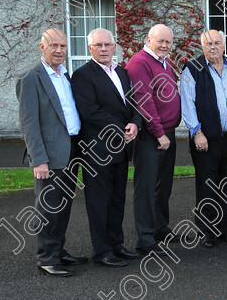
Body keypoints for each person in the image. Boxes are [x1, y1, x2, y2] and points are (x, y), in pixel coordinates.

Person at [15, 28, 88, 276]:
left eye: (63, 47)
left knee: (64, 205)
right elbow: (29, 123)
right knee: (48, 207)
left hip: (71, 149)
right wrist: (39, 160)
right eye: (53, 46)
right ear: (41, 47)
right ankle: (47, 259)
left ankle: (58, 250)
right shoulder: (30, 78)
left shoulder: (65, 75)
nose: (59, 51)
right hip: (49, 155)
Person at [71, 28, 141, 267]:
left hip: (120, 149)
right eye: (98, 45)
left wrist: (134, 122)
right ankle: (102, 251)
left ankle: (116, 244)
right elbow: (89, 111)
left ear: (114, 47)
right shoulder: (82, 75)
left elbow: (132, 103)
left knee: (117, 199)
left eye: (107, 45)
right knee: (99, 201)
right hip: (97, 151)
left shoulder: (121, 73)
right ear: (89, 48)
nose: (103, 49)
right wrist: (121, 126)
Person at [180, 30, 227, 248]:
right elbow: (188, 104)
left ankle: (224, 228)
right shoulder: (192, 69)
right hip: (205, 139)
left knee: (226, 184)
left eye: (217, 42)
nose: (213, 47)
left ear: (224, 45)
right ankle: (206, 231)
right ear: (202, 46)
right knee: (207, 185)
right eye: (208, 44)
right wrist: (197, 132)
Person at [126, 24, 180, 256]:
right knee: (147, 187)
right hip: (151, 135)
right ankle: (145, 239)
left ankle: (160, 227)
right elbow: (143, 101)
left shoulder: (163, 62)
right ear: (148, 39)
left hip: (167, 132)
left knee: (163, 185)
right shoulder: (140, 63)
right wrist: (158, 133)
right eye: (160, 41)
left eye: (168, 42)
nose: (165, 45)